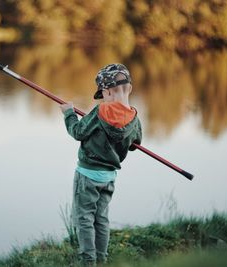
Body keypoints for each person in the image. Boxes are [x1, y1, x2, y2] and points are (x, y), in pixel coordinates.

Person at [60, 63, 142, 265]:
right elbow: (135, 144)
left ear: (106, 91)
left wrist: (69, 113)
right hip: (109, 177)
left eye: (102, 94)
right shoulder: (134, 118)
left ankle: (88, 261)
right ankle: (102, 259)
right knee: (101, 219)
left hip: (87, 175)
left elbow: (78, 132)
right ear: (129, 88)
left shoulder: (100, 111)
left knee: (84, 219)